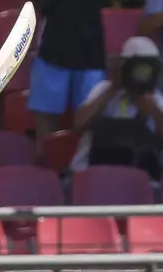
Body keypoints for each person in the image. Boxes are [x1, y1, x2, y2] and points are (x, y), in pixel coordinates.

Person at [70, 36, 163, 175]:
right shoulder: (103, 89)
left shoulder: (155, 98)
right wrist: (112, 88)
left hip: (139, 179)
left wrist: (154, 112)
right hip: (93, 174)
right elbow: (79, 124)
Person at [27, 0, 109, 157]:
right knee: (46, 132)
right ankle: (47, 173)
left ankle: (84, 172)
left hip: (92, 51)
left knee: (91, 125)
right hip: (52, 48)